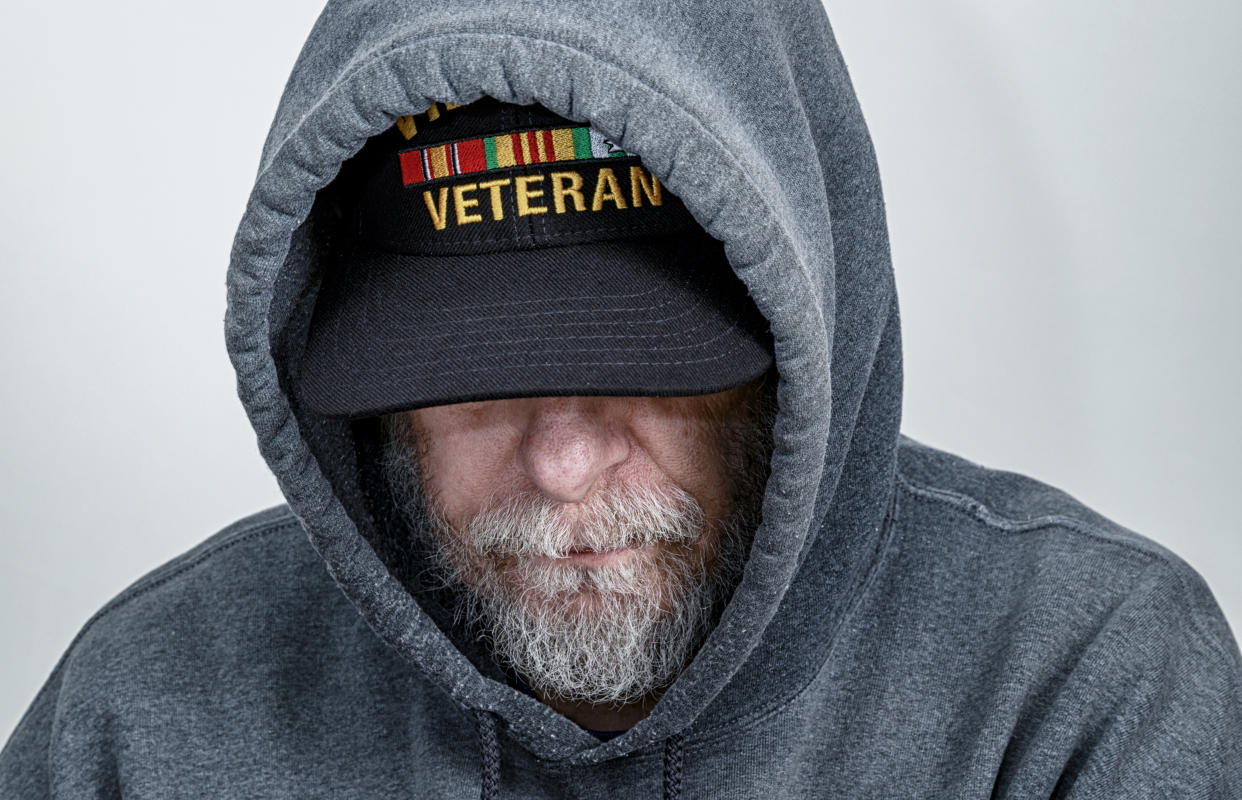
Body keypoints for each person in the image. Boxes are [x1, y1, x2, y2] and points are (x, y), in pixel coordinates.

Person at [2, 1, 1239, 798]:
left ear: (802, 344)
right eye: (470, 375)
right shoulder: (143, 717)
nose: (564, 461)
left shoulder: (1079, 688)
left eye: (648, 359)